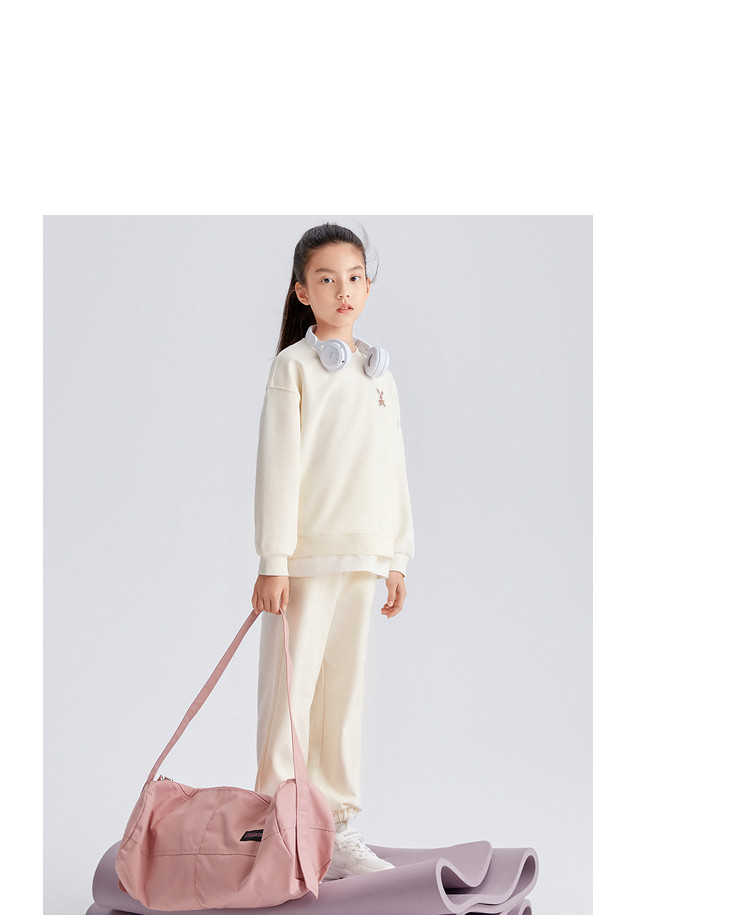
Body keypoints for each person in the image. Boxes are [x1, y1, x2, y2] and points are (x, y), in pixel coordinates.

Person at [251, 222, 415, 879]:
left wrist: (397, 554)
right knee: (290, 695)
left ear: (367, 287)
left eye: (353, 277)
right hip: (305, 560)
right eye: (326, 278)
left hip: (365, 556)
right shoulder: (294, 367)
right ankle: (276, 822)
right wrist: (273, 559)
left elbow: (393, 467)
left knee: (344, 696)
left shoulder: (381, 375)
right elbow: (278, 467)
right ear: (303, 291)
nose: (342, 289)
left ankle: (339, 826)